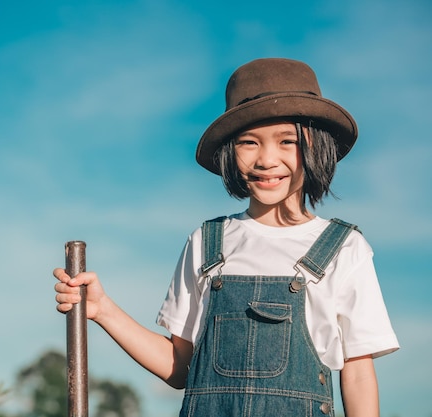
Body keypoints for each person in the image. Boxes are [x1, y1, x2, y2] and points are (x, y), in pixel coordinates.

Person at [53, 58, 399, 416]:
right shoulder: (206, 242)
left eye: (287, 141)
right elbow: (179, 368)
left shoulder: (344, 247)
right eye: (249, 142)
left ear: (316, 146)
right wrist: (102, 310)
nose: (266, 159)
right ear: (230, 153)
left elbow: (357, 374)